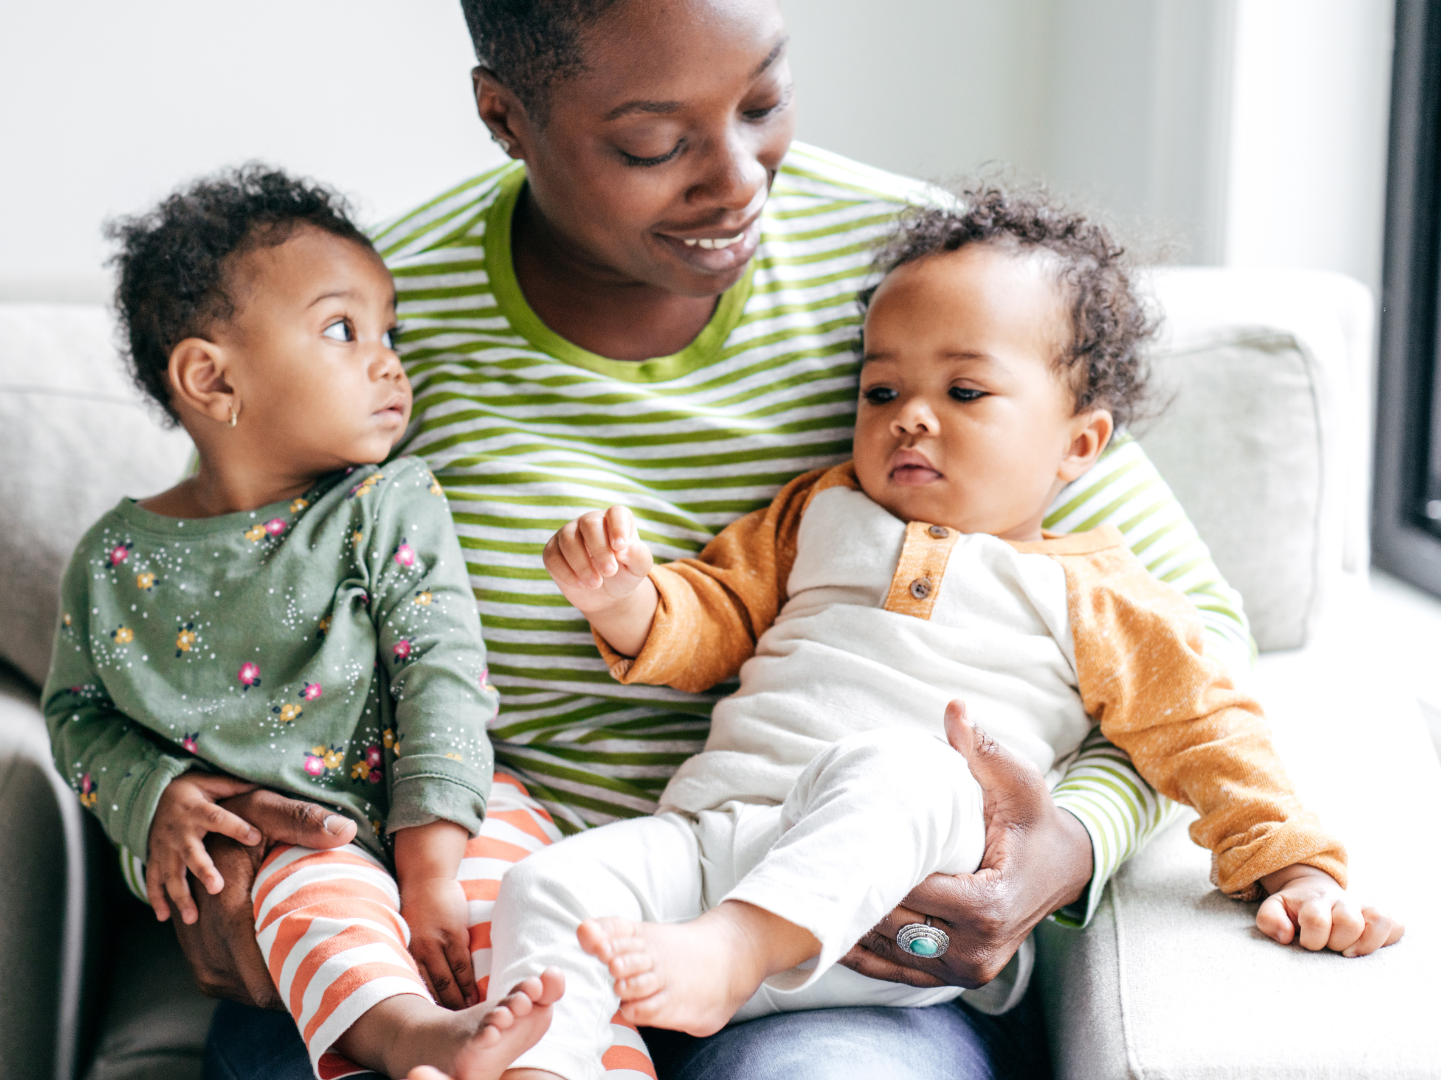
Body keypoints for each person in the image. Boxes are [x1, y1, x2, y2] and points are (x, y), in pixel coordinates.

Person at [183, 2, 1264, 1076]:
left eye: (764, 100)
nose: (741, 177)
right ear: (504, 116)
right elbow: (210, 605)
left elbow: (1193, 636)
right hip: (472, 926)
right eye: (654, 143)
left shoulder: (928, 282)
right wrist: (169, 809)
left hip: (837, 930)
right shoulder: (374, 320)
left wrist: (1067, 843)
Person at [470, 187, 1403, 1080]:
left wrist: (1297, 870)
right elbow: (714, 619)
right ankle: (545, 1065)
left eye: (965, 392)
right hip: (717, 840)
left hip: (902, 913)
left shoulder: (1099, 594)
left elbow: (1207, 733)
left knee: (906, 768)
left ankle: (736, 950)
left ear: (1079, 444)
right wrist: (623, 598)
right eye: (882, 392)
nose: (910, 416)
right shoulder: (823, 509)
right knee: (543, 887)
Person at [43, 166, 578, 1080]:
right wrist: (160, 796)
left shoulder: (389, 503)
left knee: (544, 929)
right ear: (211, 379)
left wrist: (432, 871)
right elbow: (77, 718)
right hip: (303, 842)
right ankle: (417, 1042)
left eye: (389, 331)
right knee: (308, 903)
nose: (388, 361)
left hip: (456, 820)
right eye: (343, 329)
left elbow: (442, 676)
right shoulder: (113, 564)